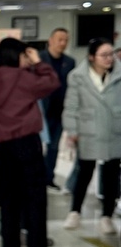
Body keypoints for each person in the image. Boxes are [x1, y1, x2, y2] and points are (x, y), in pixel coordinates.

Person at [0, 38, 60, 247]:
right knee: (35, 195)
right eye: (24, 55)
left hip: (3, 146)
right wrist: (38, 62)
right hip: (27, 142)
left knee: (8, 196)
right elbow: (52, 82)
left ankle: (10, 246)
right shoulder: (22, 77)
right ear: (17, 55)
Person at [62, 38, 121, 236]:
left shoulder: (119, 74)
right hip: (88, 129)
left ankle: (107, 216)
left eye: (111, 54)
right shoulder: (77, 77)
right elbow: (71, 105)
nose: (109, 59)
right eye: (104, 55)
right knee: (84, 172)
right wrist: (72, 130)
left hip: (114, 130)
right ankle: (75, 211)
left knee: (111, 175)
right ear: (91, 57)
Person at [39, 27, 76, 190]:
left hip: (60, 111)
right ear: (50, 40)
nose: (63, 43)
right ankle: (36, 177)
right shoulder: (39, 59)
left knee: (53, 147)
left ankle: (49, 177)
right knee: (37, 146)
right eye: (60, 39)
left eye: (66, 40)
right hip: (41, 110)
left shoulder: (70, 62)